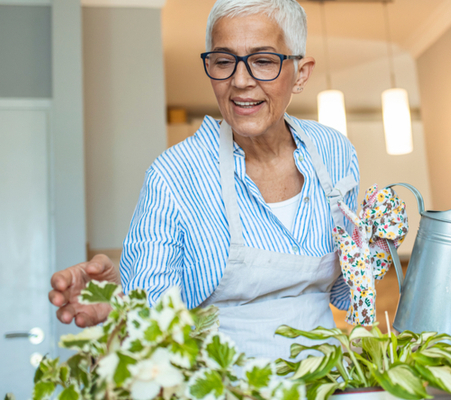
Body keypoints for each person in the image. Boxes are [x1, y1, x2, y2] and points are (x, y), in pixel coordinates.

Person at [48, 0, 359, 360]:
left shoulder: (335, 154)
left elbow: (346, 288)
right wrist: (120, 298)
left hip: (326, 379)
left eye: (262, 61)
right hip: (220, 385)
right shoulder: (174, 176)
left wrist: (375, 247)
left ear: (301, 73)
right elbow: (151, 314)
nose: (241, 81)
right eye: (224, 61)